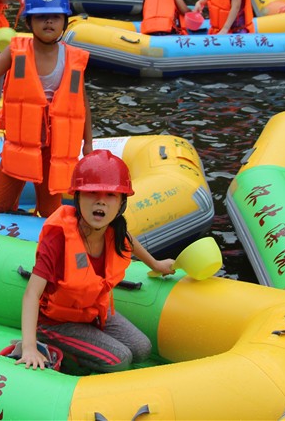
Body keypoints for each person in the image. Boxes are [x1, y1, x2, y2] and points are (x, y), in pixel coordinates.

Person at [16, 150, 176, 371]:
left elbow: (128, 239)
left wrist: (156, 264)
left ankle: (89, 341)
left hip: (93, 311)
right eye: (92, 193)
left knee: (142, 349)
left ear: (121, 204)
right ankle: (61, 352)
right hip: (56, 323)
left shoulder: (114, 231)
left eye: (110, 195)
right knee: (120, 358)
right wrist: (29, 347)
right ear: (78, 197)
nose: (101, 201)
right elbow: (32, 294)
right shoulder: (59, 239)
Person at [0, 0, 93, 217]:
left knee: (51, 211)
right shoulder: (16, 51)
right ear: (29, 22)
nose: (49, 22)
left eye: (55, 17)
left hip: (54, 150)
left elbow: (81, 106)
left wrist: (89, 144)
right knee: (0, 205)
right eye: (41, 17)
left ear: (64, 21)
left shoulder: (73, 59)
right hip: (19, 145)